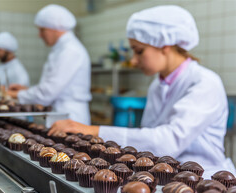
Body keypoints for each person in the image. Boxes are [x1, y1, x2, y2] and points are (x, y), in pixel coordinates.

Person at [48, 5, 236, 178]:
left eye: (139, 51)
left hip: (207, 179)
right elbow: (149, 137)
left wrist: (92, 130)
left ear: (165, 46)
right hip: (166, 174)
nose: (134, 60)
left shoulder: (204, 83)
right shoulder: (157, 84)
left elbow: (167, 141)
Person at [7, 4, 92, 125]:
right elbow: (54, 87)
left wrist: (14, 95)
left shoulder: (70, 51)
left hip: (70, 116)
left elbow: (47, 93)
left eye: (42, 30)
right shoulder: (61, 49)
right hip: (61, 114)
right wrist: (27, 90)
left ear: (55, 28)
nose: (39, 35)